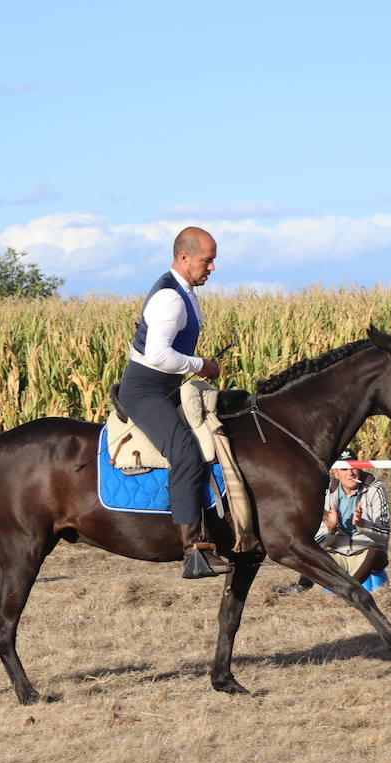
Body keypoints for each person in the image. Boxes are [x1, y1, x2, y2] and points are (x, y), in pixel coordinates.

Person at [117, 226, 229, 578]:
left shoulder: (185, 290)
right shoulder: (170, 298)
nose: (211, 268)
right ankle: (193, 551)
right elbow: (159, 354)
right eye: (207, 260)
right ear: (184, 257)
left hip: (166, 385)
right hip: (146, 389)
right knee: (185, 451)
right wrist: (201, 365)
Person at [278, 449, 391, 593]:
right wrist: (331, 529)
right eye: (344, 469)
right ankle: (302, 587)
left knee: (374, 554)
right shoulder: (327, 493)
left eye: (353, 467)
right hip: (338, 554)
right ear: (336, 473)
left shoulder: (375, 489)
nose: (350, 473)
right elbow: (318, 542)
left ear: (360, 467)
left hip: (367, 552)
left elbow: (385, 536)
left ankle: (350, 592)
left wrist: (363, 525)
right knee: (310, 552)